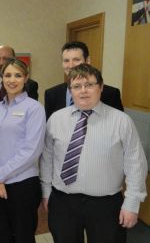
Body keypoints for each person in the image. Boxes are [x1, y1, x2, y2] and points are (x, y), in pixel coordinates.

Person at [40, 64, 147, 243]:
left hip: (105, 205)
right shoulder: (56, 119)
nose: (83, 91)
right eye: (76, 86)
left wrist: (132, 203)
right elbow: (47, 159)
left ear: (101, 87)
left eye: (89, 85)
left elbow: (135, 163)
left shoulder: (121, 121)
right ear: (70, 90)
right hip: (63, 201)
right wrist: (46, 192)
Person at [0, 58, 45, 243]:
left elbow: (32, 150)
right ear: (1, 78)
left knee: (23, 235)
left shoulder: (35, 109)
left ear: (26, 78)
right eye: (7, 75)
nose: (12, 80)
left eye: (17, 75)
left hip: (22, 184)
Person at [44, 41, 123, 119]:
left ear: (87, 60)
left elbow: (118, 124)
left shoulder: (111, 94)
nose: (71, 65)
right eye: (66, 61)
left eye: (76, 60)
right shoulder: (51, 94)